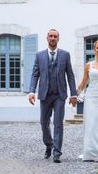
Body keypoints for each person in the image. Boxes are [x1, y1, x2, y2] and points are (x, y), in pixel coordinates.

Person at [28, 28, 77, 163]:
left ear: (58, 38)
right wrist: (32, 91)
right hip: (44, 94)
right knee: (44, 123)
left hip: (59, 95)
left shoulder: (65, 55)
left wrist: (73, 94)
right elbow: (35, 74)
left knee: (58, 123)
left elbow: (70, 76)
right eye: (50, 36)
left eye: (55, 36)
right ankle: (49, 145)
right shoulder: (39, 55)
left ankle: (57, 152)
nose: (53, 38)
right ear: (47, 38)